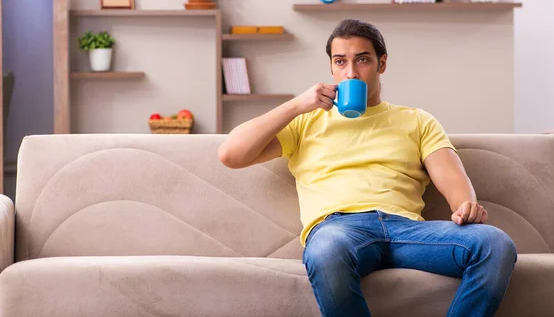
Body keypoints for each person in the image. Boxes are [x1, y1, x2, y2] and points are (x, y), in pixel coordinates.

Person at [218, 19, 517, 317]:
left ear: (381, 64)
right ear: (331, 69)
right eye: (340, 62)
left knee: (495, 244)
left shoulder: (417, 120)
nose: (351, 72)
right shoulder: (305, 121)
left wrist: (465, 207)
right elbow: (231, 154)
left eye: (362, 59)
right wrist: (296, 105)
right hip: (339, 230)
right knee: (324, 251)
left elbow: (453, 179)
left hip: (407, 230)